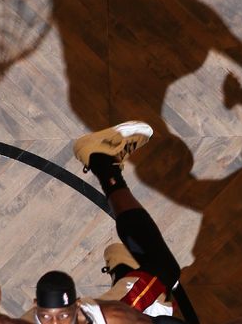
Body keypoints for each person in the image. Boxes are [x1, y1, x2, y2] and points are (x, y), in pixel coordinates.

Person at [20, 121, 186, 324]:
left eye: (63, 317)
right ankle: (124, 268)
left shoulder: (116, 317)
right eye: (47, 317)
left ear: (78, 307)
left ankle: (102, 161)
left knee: (164, 272)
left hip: (122, 310)